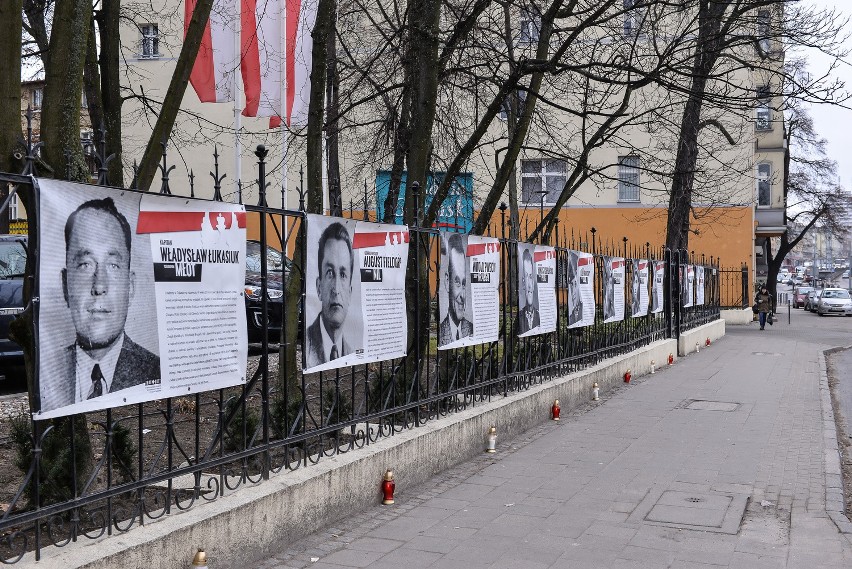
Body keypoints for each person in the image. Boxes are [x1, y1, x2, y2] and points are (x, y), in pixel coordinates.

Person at [42, 198, 159, 412]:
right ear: (65, 284)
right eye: (85, 264)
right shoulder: (45, 369)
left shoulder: (156, 371)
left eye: (113, 265)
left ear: (130, 286)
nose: (99, 286)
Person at [306, 222, 355, 368]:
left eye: (343, 274)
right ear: (319, 287)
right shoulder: (308, 347)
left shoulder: (351, 352)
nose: (336, 289)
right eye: (329, 273)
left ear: (350, 292)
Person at [439, 233, 473, 345]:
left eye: (463, 284)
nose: (463, 295)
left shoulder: (471, 329)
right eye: (457, 282)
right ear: (447, 281)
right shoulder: (441, 331)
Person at [518, 247, 540, 334]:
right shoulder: (520, 315)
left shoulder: (539, 316)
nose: (529, 285)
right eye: (526, 277)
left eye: (530, 277)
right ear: (523, 283)